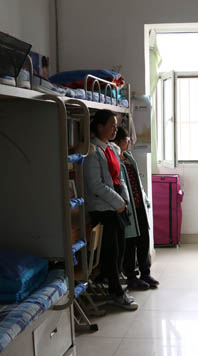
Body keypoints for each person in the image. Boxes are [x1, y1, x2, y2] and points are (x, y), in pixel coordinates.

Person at [84, 110, 138, 310]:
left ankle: (112, 283)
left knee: (120, 248)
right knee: (111, 252)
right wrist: (118, 202)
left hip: (117, 206)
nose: (115, 129)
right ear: (99, 127)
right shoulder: (92, 151)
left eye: (116, 125)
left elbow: (119, 177)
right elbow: (96, 185)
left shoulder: (111, 149)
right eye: (111, 125)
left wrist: (124, 199)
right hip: (103, 209)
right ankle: (116, 292)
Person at [112, 126, 159, 290]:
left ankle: (145, 273)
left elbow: (137, 181)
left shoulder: (128, 157)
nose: (129, 142)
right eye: (127, 139)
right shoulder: (115, 160)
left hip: (139, 205)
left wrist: (145, 198)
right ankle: (131, 277)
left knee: (144, 239)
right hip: (128, 208)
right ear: (119, 141)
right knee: (130, 244)